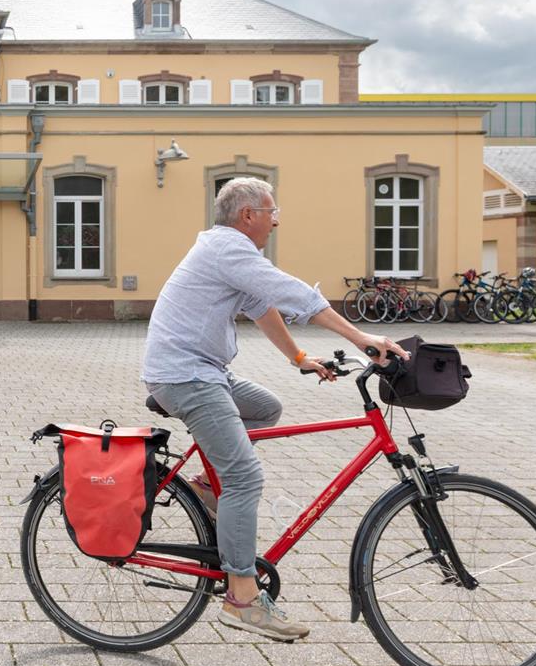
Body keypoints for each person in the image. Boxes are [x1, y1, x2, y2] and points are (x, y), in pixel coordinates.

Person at [141, 176, 407, 642]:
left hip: (204, 372)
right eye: (272, 212)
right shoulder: (227, 248)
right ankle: (242, 599)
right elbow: (292, 292)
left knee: (266, 408)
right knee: (245, 478)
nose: (276, 221)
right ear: (248, 215)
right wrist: (360, 337)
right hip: (186, 377)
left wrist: (299, 358)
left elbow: (264, 307)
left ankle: (205, 487)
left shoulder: (228, 253)